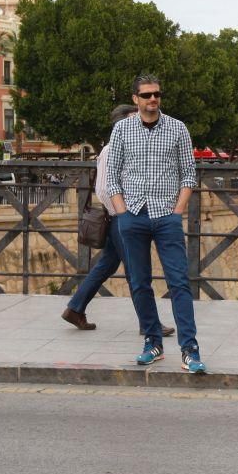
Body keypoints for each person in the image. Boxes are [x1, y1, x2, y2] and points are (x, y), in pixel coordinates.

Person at [106, 75, 204, 372]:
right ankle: (152, 342)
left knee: (179, 283)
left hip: (166, 217)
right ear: (135, 98)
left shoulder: (178, 128)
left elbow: (189, 173)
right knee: (139, 283)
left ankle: (190, 348)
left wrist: (177, 211)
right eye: (146, 95)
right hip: (132, 216)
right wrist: (122, 212)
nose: (153, 99)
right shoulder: (121, 130)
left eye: (157, 94)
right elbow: (112, 175)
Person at [61, 104, 175, 338]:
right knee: (137, 271)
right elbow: (103, 189)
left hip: (122, 219)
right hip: (122, 220)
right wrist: (123, 213)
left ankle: (75, 308)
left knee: (107, 265)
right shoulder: (112, 149)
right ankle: (149, 323)